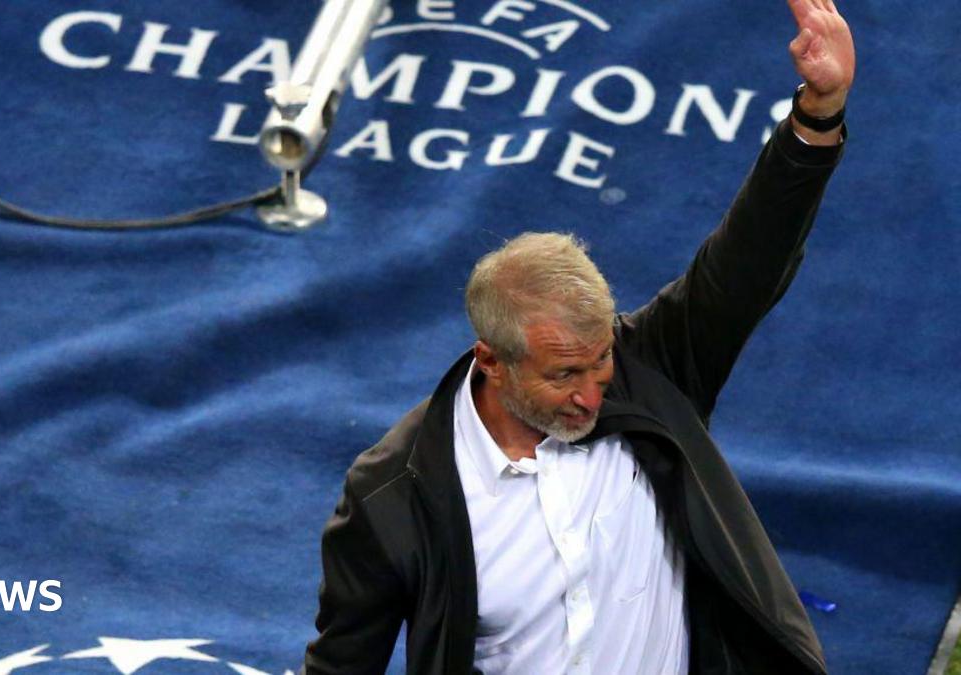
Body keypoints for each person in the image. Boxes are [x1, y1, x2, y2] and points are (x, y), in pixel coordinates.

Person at [302, 0, 854, 672]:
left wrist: (816, 117)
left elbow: (748, 262)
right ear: (493, 361)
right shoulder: (394, 490)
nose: (593, 393)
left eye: (599, 363)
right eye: (564, 375)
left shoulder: (650, 371)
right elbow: (343, 663)